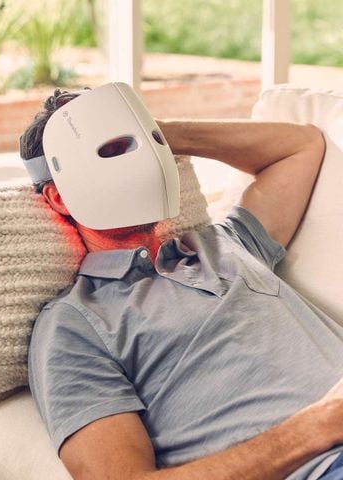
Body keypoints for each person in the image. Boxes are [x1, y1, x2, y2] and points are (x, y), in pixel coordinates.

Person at [22, 88, 343, 480]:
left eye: (133, 142)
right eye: (111, 150)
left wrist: (161, 133)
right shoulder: (74, 323)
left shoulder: (226, 243)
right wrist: (319, 426)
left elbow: (302, 147)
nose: (134, 159)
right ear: (59, 198)